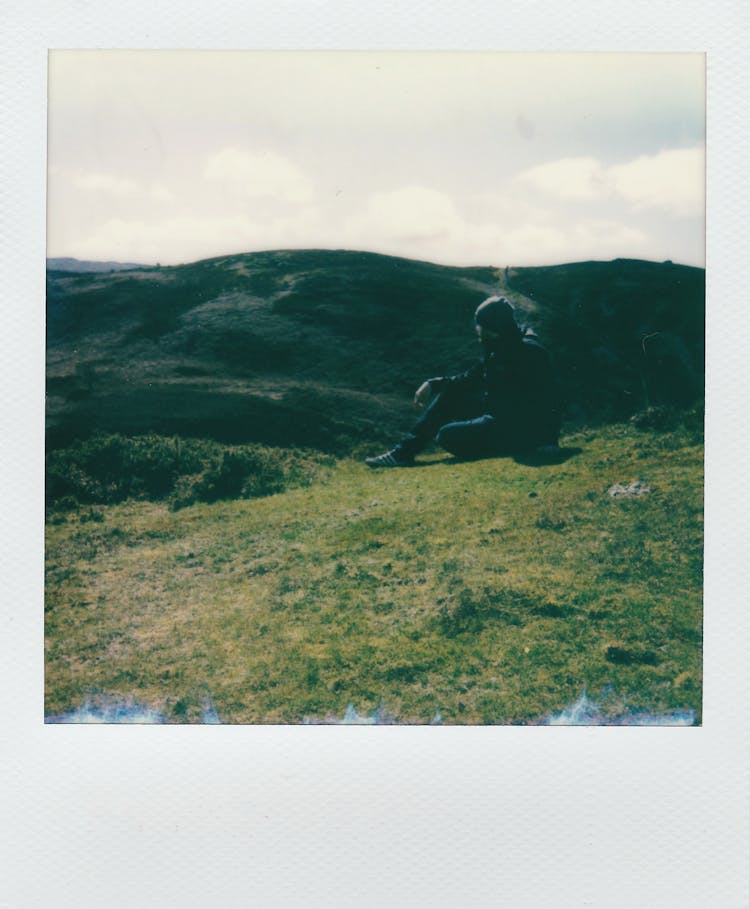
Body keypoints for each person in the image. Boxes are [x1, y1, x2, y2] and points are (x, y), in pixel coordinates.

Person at [365, 295, 560, 468]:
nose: (477, 330)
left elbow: (551, 397)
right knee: (451, 394)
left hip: (518, 430)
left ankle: (403, 454)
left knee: (448, 436)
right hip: (500, 417)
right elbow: (468, 379)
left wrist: (548, 441)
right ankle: (402, 453)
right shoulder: (501, 346)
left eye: (480, 325)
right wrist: (433, 384)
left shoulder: (529, 352)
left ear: (493, 328)